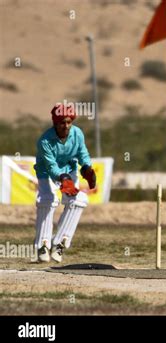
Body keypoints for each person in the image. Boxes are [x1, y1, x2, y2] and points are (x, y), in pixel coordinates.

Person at [34, 103, 96, 263]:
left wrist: (87, 168)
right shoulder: (45, 141)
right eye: (62, 122)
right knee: (47, 200)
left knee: (79, 200)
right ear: (55, 122)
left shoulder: (77, 134)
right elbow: (51, 166)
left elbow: (83, 153)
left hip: (69, 169)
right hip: (46, 172)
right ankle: (43, 245)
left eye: (69, 122)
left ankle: (60, 243)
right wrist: (62, 178)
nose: (66, 126)